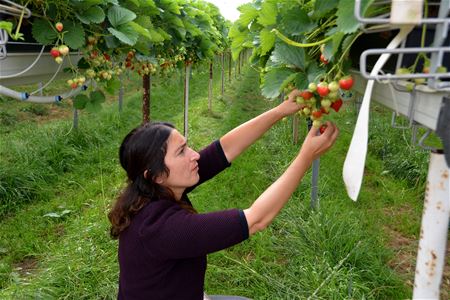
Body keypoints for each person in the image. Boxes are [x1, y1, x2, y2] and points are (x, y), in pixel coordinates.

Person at [108, 89, 339, 300]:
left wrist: (280, 111)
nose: (195, 155)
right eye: (181, 152)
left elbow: (224, 149)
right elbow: (256, 219)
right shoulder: (160, 228)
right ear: (156, 175)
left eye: (187, 146)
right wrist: (306, 156)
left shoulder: (154, 190)